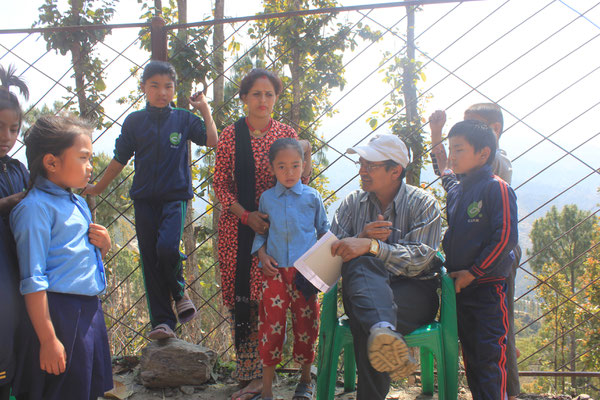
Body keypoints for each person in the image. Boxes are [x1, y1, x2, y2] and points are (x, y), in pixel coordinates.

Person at [83, 60, 218, 340]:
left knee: (167, 249)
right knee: (150, 261)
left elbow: (212, 140)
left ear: (174, 89)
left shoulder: (182, 118)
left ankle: (180, 293)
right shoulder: (135, 122)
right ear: (143, 87)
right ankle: (164, 323)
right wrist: (97, 187)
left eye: (168, 86)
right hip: (143, 200)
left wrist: (204, 107)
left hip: (174, 199)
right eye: (154, 85)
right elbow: (120, 158)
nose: (162, 92)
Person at [213, 68, 311, 400]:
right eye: (256, 94)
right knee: (244, 301)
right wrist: (246, 216)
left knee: (274, 301)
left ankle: (283, 371)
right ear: (243, 98)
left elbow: (299, 180)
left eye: (269, 94)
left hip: (280, 232)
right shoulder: (230, 135)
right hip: (237, 231)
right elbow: (221, 187)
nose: (263, 100)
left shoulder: (286, 133)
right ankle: (249, 375)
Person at [329, 133, 442, 400]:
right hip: (362, 289)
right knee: (362, 270)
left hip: (414, 292)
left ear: (395, 171)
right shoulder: (351, 204)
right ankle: (383, 330)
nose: (362, 171)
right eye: (361, 164)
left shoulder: (423, 204)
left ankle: (381, 329)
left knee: (365, 319)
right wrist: (361, 239)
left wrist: (372, 247)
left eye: (371, 165)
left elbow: (421, 259)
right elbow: (330, 255)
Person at [10, 115, 113, 400]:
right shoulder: (35, 209)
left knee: (85, 389)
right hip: (59, 315)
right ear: (52, 162)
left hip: (88, 310)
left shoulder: (76, 202)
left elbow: (72, 259)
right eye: (83, 158)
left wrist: (102, 247)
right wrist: (47, 338)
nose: (91, 167)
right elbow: (33, 279)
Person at [430, 103, 520, 399]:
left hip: (487, 290)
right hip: (461, 289)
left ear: (483, 154)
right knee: (471, 358)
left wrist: (475, 272)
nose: (453, 156)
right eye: (451, 150)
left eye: (459, 150)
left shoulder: (497, 188)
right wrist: (435, 135)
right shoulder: (458, 188)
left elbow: (505, 237)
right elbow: (444, 171)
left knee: (489, 359)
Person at [251, 138, 328, 400]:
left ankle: (305, 380)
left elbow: (324, 232)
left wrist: (322, 268)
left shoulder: (312, 197)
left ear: (303, 165)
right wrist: (261, 254)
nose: (289, 172)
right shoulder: (267, 199)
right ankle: (268, 390)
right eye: (281, 167)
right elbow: (261, 233)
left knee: (307, 325)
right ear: (271, 168)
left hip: (305, 275)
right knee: (271, 328)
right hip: (273, 274)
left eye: (295, 166)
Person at [0, 65, 30, 400]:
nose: (6, 136)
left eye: (13, 129)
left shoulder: (19, 168)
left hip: (19, 263)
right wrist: (13, 200)